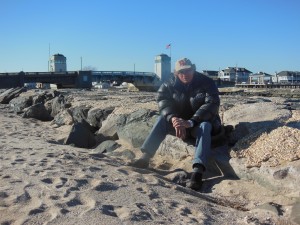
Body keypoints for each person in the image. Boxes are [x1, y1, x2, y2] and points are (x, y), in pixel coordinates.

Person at [130, 58, 222, 191]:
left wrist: (191, 122)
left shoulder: (207, 82)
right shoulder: (169, 84)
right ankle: (145, 158)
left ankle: (197, 172)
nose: (185, 74)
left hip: (200, 122)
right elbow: (163, 102)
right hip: (180, 123)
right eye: (181, 71)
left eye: (188, 70)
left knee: (205, 126)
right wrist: (173, 119)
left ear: (193, 69)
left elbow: (212, 104)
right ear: (176, 73)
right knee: (162, 119)